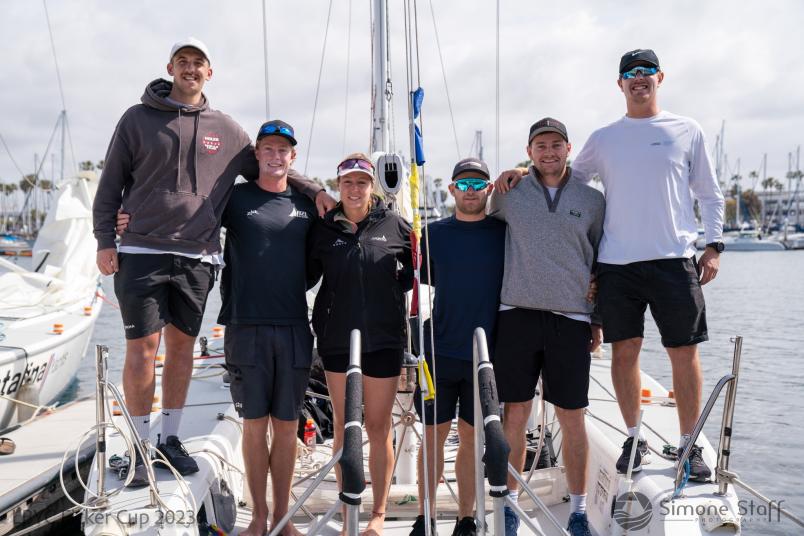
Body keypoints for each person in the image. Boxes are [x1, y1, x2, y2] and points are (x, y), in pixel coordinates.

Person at [93, 38, 332, 487]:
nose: (190, 69)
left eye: (197, 63)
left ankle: (168, 439)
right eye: (182, 62)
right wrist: (106, 239)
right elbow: (109, 186)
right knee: (143, 349)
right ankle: (141, 446)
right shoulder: (136, 119)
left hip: (198, 256)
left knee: (182, 348)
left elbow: (269, 165)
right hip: (141, 249)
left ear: (209, 73)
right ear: (169, 68)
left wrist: (315, 190)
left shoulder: (227, 128)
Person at [495, 49, 725, 483]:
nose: (638, 79)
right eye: (629, 74)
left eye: (645, 72)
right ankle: (634, 437)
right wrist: (522, 170)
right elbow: (565, 174)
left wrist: (712, 247)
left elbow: (710, 194)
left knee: (683, 352)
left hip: (675, 259)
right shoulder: (604, 138)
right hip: (618, 263)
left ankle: (690, 444)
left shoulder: (686, 130)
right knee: (625, 352)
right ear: (619, 84)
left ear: (660, 77)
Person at [489, 118, 604, 536]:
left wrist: (598, 319)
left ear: (568, 148)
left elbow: (600, 262)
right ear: (529, 150)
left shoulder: (592, 201)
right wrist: (509, 175)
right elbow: (478, 217)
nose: (549, 152)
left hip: (570, 319)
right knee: (513, 414)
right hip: (515, 315)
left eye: (556, 145)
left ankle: (577, 510)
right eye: (541, 145)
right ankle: (509, 505)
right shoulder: (509, 193)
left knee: (572, 418)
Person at [218, 120, 316, 536]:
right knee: (255, 426)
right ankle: (258, 516)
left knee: (288, 428)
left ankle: (283, 515)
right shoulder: (234, 199)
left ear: (293, 158)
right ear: (256, 154)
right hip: (246, 327)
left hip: (295, 326)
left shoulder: (310, 206)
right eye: (268, 149)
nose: (276, 156)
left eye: (284, 150)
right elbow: (189, 223)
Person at [307, 153, 414, 536]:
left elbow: (414, 274)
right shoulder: (322, 229)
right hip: (337, 339)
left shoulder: (396, 225)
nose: (354, 189)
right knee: (344, 425)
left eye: (362, 182)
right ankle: (348, 498)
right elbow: (303, 276)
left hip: (383, 339)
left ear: (372, 186)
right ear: (338, 186)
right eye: (347, 182)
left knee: (377, 426)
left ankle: (379, 513)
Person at [408, 157, 506, 536]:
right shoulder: (434, 234)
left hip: (484, 356)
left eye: (477, 185)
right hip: (439, 349)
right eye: (463, 186)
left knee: (471, 437)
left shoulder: (502, 233)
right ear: (451, 190)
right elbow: (412, 284)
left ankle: (466, 518)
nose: (470, 192)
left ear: (488, 189)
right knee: (433, 434)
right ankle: (426, 516)